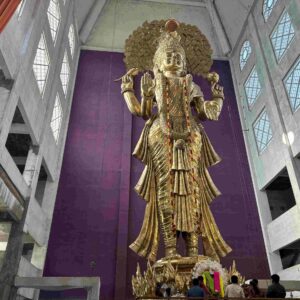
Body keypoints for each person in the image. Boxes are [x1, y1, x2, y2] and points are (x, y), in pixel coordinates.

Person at [121, 19, 231, 262]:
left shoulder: (191, 87)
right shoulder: (154, 82)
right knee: (165, 188)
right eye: (168, 57)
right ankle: (170, 249)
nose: (174, 60)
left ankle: (193, 250)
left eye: (178, 58)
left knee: (192, 189)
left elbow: (206, 112)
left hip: (191, 136)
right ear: (159, 62)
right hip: (161, 134)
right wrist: (129, 91)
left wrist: (218, 95)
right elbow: (142, 111)